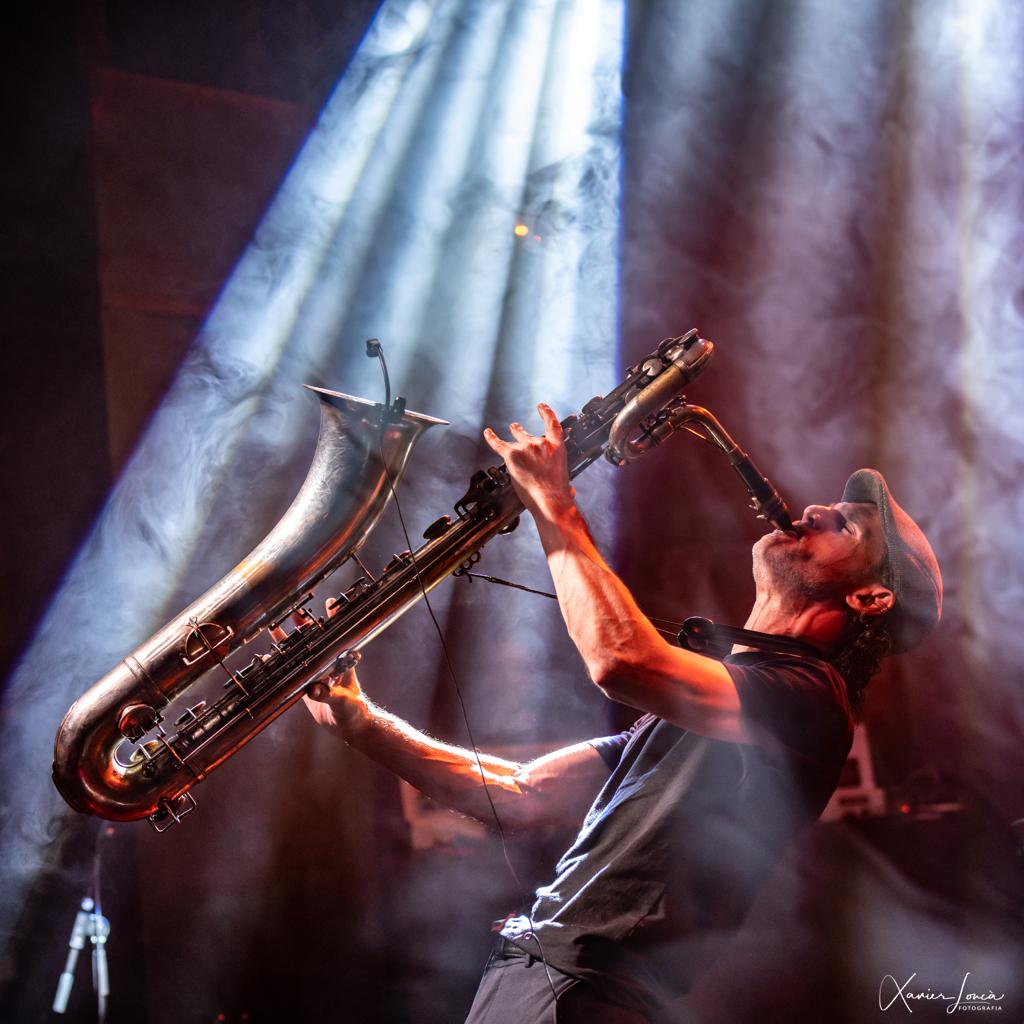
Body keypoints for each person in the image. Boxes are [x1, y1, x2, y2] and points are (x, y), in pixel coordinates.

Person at [302, 403, 942, 1022]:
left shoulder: (811, 697)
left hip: (586, 992)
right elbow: (520, 794)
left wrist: (554, 503)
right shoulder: (723, 704)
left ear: (870, 597)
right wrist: (360, 721)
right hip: (543, 976)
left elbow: (618, 660)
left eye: (847, 527)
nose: (815, 510)